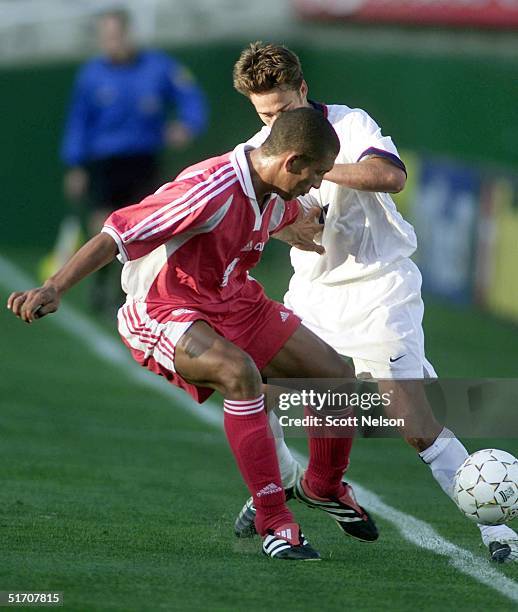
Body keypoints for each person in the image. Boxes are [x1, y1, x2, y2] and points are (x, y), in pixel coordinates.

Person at [7, 108, 378, 561]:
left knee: (336, 378)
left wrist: (305, 225)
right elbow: (115, 234)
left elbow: (288, 214)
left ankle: (321, 486)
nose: (317, 183)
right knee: (238, 373)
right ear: (292, 161)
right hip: (166, 309)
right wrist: (54, 286)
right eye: (316, 173)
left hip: (235, 301)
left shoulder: (275, 190)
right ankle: (274, 519)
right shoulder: (208, 189)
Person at [231, 41, 518, 563]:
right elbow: (267, 218)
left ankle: (498, 532)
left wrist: (318, 168)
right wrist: (288, 227)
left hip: (379, 288)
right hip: (314, 292)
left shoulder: (349, 125)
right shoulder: (260, 147)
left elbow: (392, 175)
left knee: (414, 424)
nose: (274, 124)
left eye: (282, 110)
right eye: (264, 115)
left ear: (303, 90)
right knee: (251, 385)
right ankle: (279, 488)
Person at [61, 9, 208, 314]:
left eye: (117, 35)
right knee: (102, 227)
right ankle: (99, 283)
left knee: (144, 227)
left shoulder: (157, 66)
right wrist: (76, 164)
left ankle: (129, 290)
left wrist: (187, 124)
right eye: (106, 37)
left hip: (144, 159)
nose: (112, 42)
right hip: (105, 160)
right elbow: (79, 121)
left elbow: (189, 96)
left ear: (128, 34)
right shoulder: (91, 75)